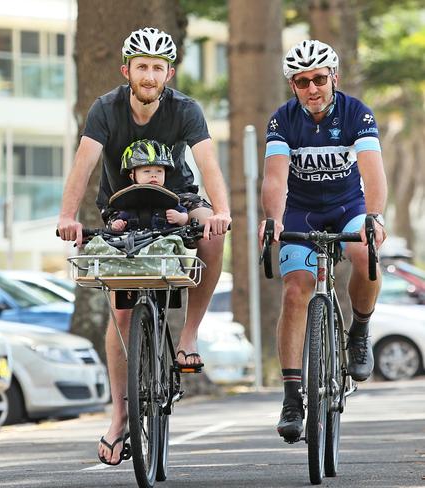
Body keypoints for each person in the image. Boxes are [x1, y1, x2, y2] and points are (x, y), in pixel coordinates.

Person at [57, 27, 231, 465]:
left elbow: (208, 163)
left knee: (212, 231)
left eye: (157, 68)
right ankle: (119, 418)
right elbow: (84, 163)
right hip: (124, 208)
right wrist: (67, 216)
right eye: (142, 67)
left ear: (168, 74)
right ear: (127, 71)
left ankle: (187, 338)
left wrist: (221, 211)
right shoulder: (105, 109)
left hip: (179, 203)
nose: (149, 76)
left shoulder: (185, 109)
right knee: (121, 311)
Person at [258, 40, 388, 442]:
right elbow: (276, 178)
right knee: (296, 289)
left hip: (349, 205)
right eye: (302, 82)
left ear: (334, 77)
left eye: (318, 79)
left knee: (365, 254)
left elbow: (373, 172)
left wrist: (374, 216)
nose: (312, 89)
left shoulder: (356, 113)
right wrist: (273, 222)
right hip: (301, 210)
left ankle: (359, 332)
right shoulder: (283, 121)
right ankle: (292, 397)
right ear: (293, 86)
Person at [107, 139, 188, 231]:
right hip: (137, 242)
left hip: (165, 241)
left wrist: (180, 218)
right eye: (147, 171)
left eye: (159, 171)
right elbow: (121, 218)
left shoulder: (169, 198)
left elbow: (184, 215)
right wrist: (117, 224)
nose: (154, 175)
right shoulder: (129, 199)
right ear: (132, 176)